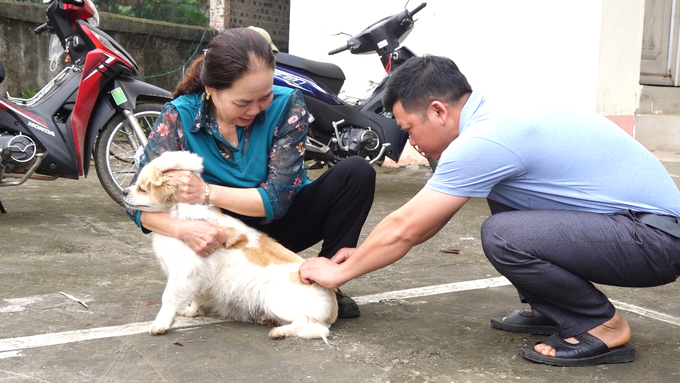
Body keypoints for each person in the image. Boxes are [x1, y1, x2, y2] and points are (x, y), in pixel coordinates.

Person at [299, 55, 680, 366]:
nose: (411, 141)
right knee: (506, 202)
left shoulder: (484, 140)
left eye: (409, 128)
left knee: (502, 235)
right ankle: (556, 309)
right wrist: (362, 255)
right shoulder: (494, 114)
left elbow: (408, 227)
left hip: (654, 241)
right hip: (644, 229)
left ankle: (600, 326)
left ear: (438, 110)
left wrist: (341, 271)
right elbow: (430, 220)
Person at [126, 28, 376, 319]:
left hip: (283, 223)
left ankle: (325, 279)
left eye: (265, 97)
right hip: (222, 239)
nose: (256, 110)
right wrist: (185, 230)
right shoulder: (178, 116)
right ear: (211, 90)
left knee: (356, 172)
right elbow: (135, 201)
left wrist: (206, 192)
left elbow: (278, 198)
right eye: (243, 102)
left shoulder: (287, 104)